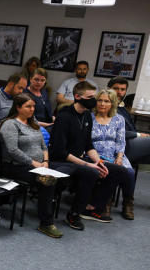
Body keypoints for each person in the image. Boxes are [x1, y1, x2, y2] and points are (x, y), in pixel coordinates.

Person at [49, 81, 128, 230]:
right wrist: (89, 165)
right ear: (77, 97)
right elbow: (60, 152)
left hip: (79, 158)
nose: (95, 100)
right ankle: (73, 214)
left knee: (120, 171)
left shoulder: (86, 115)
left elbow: (88, 145)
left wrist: (99, 162)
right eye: (91, 97)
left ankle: (91, 207)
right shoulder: (64, 116)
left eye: (94, 96)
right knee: (91, 172)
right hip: (62, 161)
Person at [0, 94, 62, 238]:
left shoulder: (33, 123)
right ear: (18, 107)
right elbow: (12, 150)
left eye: (33, 106)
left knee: (61, 174)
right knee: (48, 181)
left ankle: (45, 208)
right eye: (28, 106)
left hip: (39, 165)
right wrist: (34, 163)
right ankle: (46, 223)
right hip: (15, 166)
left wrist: (45, 162)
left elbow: (44, 146)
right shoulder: (10, 124)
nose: (32, 109)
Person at [91, 89, 136, 220]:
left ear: (112, 104)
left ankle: (128, 203)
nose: (102, 104)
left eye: (106, 101)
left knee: (129, 172)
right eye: (100, 100)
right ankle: (106, 202)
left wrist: (120, 157)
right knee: (110, 171)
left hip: (116, 153)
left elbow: (121, 141)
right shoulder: (89, 117)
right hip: (96, 154)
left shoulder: (119, 119)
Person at [108, 76, 150, 176]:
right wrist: (138, 135)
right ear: (108, 89)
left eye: (122, 89)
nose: (119, 92)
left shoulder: (121, 106)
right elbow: (113, 132)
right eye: (115, 88)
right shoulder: (106, 106)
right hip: (119, 147)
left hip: (129, 142)